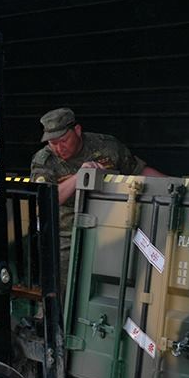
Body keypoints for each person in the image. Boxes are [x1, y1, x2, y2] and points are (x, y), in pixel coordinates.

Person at [29, 108, 167, 299]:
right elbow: (46, 200)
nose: (59, 148)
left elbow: (138, 171)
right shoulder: (45, 161)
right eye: (53, 143)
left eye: (63, 141)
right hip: (66, 236)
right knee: (61, 293)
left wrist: (176, 183)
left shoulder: (106, 146)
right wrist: (79, 178)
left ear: (77, 130)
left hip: (109, 230)